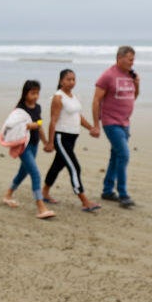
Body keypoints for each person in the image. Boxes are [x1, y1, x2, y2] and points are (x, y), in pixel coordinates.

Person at [41, 69, 101, 212]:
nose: (72, 82)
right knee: (75, 167)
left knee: (57, 166)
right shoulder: (58, 97)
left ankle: (44, 193)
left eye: (73, 79)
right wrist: (50, 142)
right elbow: (53, 121)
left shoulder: (74, 97)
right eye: (68, 79)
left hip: (72, 138)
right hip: (61, 138)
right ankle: (85, 201)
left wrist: (91, 128)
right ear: (61, 81)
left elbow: (78, 117)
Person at [91, 45, 140, 208]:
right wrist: (96, 125)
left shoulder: (130, 75)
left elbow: (133, 96)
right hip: (111, 122)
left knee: (116, 156)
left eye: (133, 59)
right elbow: (96, 100)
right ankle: (123, 194)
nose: (132, 63)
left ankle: (107, 190)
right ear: (120, 58)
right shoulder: (108, 76)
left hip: (125, 122)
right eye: (130, 59)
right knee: (124, 155)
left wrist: (137, 83)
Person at [1, 80, 56, 219]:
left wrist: (46, 142)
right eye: (32, 93)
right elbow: (11, 126)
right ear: (25, 93)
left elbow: (39, 126)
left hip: (34, 145)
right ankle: (41, 207)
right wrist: (27, 126)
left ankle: (8, 195)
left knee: (23, 172)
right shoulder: (20, 110)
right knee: (35, 174)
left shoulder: (37, 108)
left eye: (37, 93)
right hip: (23, 146)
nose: (35, 96)